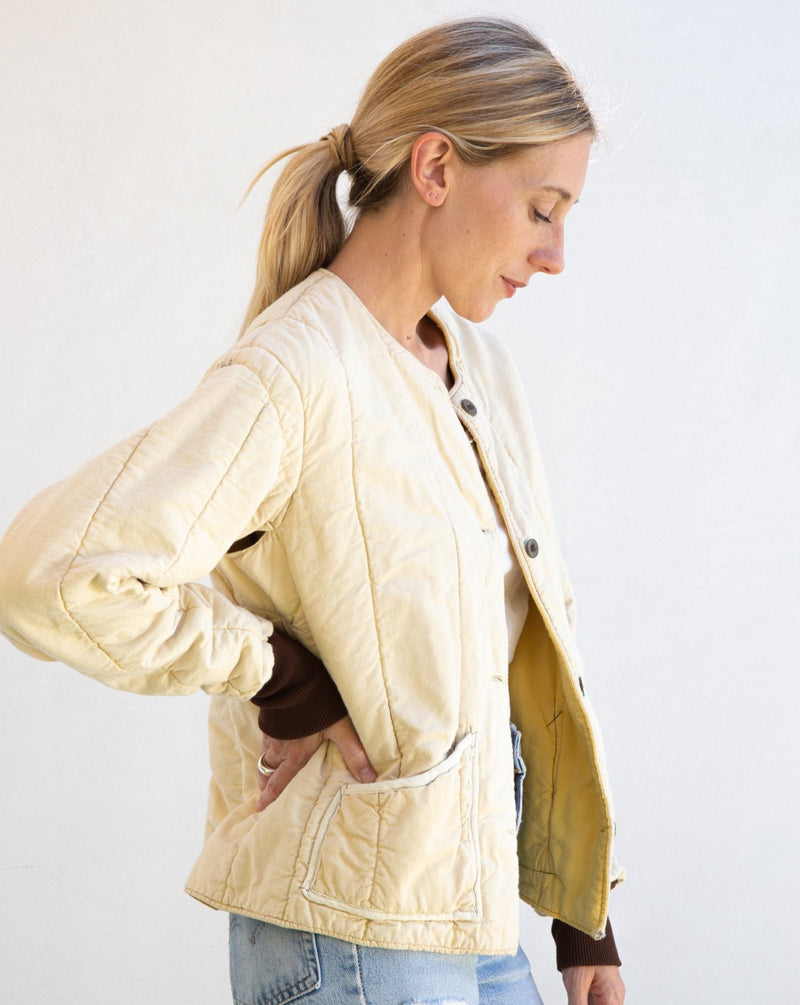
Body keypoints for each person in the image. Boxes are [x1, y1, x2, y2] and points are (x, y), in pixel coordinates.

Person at [0, 17, 625, 1005]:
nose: (554, 254)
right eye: (542, 209)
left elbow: (520, 648)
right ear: (435, 168)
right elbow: (50, 574)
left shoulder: (478, 368)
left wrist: (582, 918)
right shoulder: (296, 367)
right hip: (351, 939)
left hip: (471, 915)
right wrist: (283, 678)